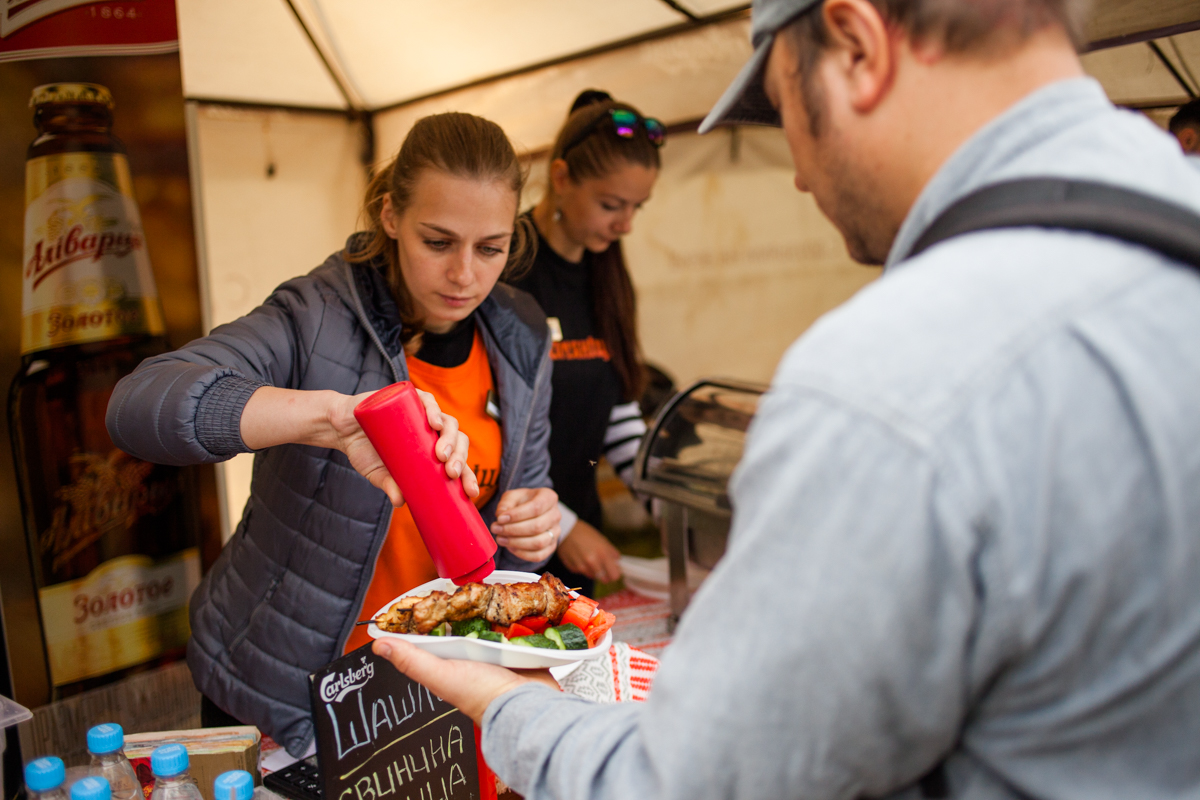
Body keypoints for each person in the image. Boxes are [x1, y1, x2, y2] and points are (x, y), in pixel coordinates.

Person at [371, 0, 1200, 798]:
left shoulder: (882, 380)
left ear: (857, 42)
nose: (799, 174)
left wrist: (503, 702)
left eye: (784, 112)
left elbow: (692, 783)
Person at [105, 112, 561, 757]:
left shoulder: (519, 331)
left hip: (431, 681)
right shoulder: (315, 315)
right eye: (438, 242)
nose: (465, 275)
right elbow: (139, 405)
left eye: (490, 248)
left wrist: (534, 524)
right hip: (289, 686)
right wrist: (332, 418)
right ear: (390, 216)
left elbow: (522, 504)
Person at [507, 89, 663, 595]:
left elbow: (618, 414)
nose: (626, 224)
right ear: (561, 177)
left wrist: (667, 504)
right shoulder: (506, 268)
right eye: (611, 205)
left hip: (574, 552)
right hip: (509, 545)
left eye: (637, 207)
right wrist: (565, 527)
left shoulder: (608, 278)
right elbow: (488, 430)